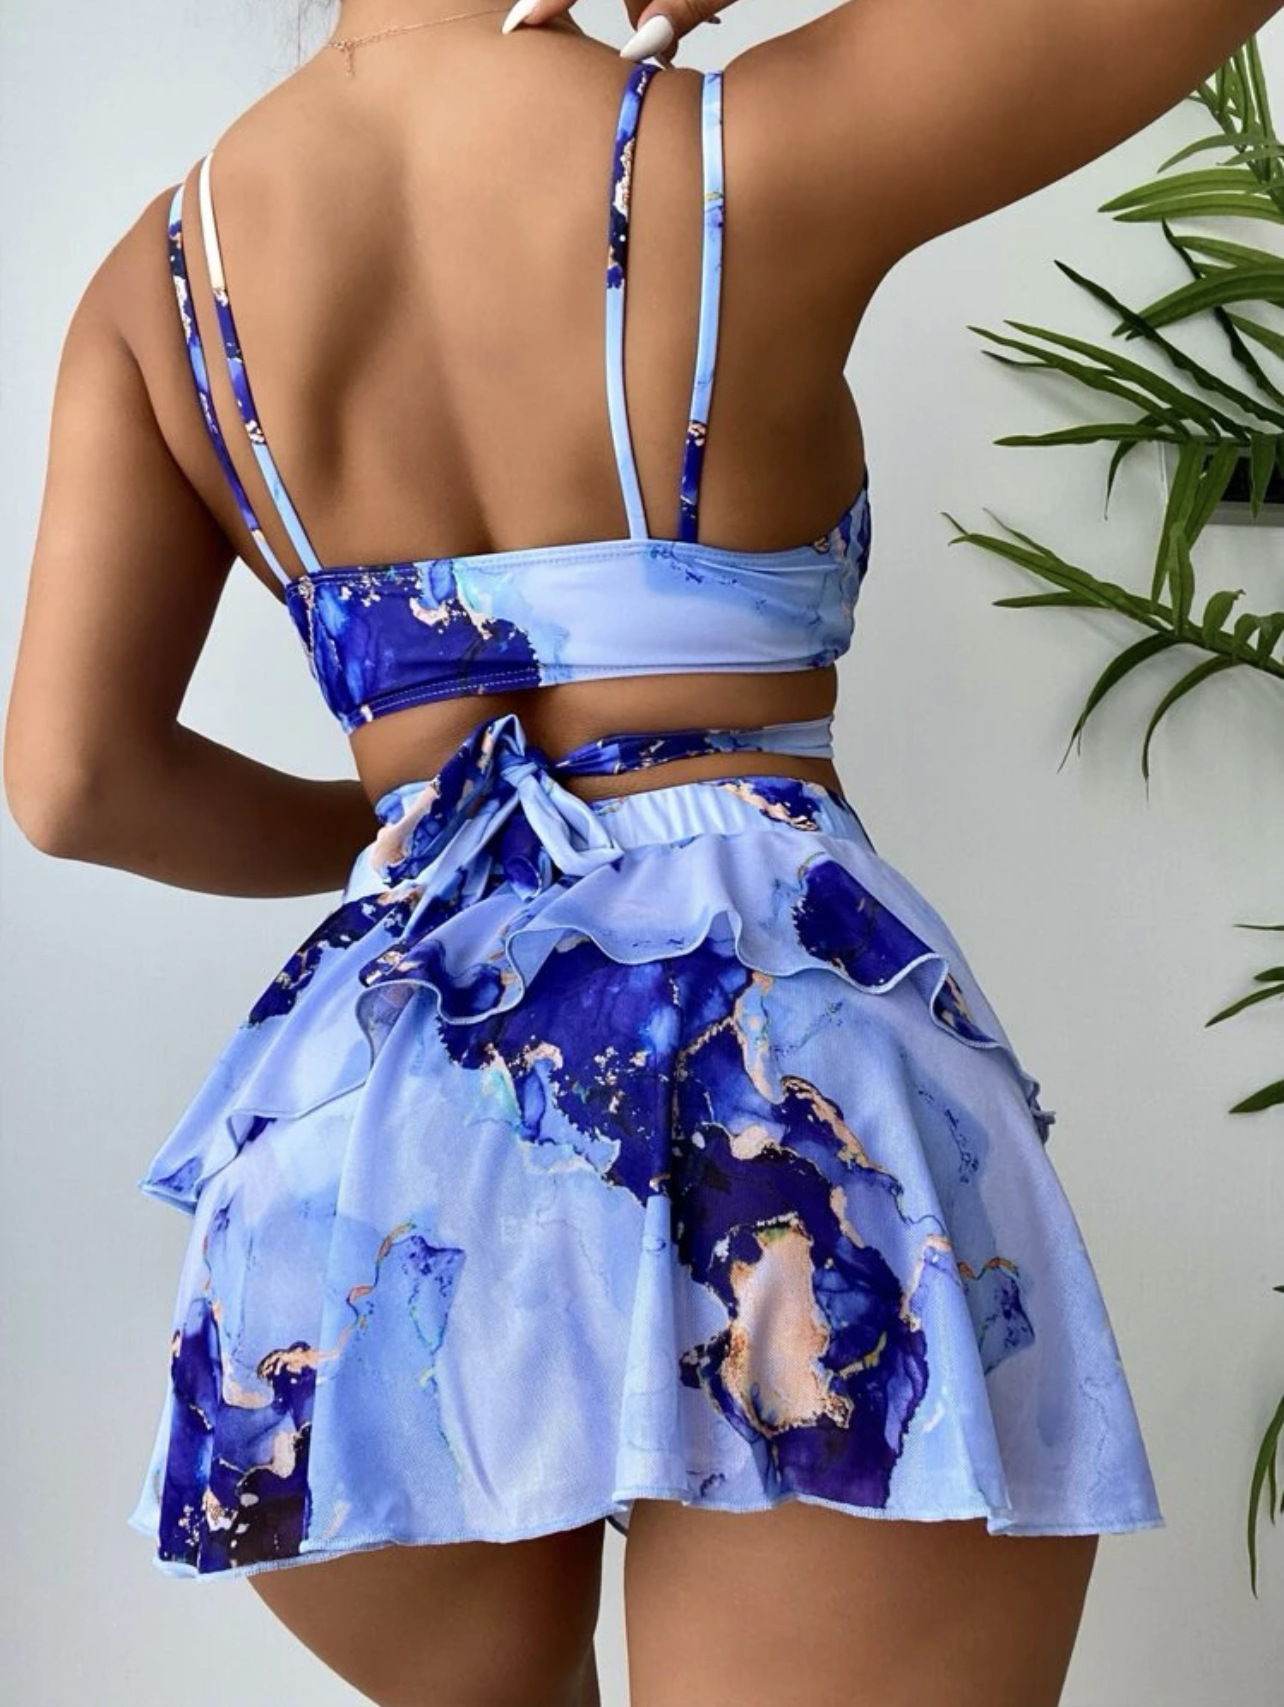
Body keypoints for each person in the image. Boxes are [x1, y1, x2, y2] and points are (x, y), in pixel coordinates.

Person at [5, 2, 1276, 1703]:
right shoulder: (734, 153)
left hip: (385, 1140)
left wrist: (423, 831)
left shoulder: (159, 280)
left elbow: (74, 781)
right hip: (781, 1094)